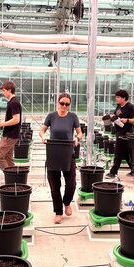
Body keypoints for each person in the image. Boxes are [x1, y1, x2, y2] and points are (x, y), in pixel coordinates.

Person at [39, 93, 83, 224]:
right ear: (58, 102)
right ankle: (58, 212)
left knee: (71, 184)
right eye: (62, 103)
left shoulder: (73, 117)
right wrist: (43, 137)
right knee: (54, 185)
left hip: (68, 153)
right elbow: (42, 130)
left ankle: (67, 202)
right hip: (53, 153)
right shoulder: (51, 116)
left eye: (67, 104)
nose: (64, 106)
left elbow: (79, 132)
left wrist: (77, 138)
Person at [105, 89, 134, 179]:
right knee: (127, 153)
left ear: (124, 98)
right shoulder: (119, 106)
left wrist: (127, 120)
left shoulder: (130, 107)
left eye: (118, 97)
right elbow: (116, 116)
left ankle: (113, 172)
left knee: (118, 153)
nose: (116, 99)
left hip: (126, 133)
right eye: (116, 97)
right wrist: (111, 118)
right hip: (119, 131)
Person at [0, 81, 22, 169]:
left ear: (9, 90)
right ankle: (14, 179)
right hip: (11, 134)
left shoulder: (13, 103)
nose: (3, 93)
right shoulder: (13, 102)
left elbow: (16, 119)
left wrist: (1, 124)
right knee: (8, 158)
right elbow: (13, 118)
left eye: (4, 91)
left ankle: (9, 174)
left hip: (10, 135)